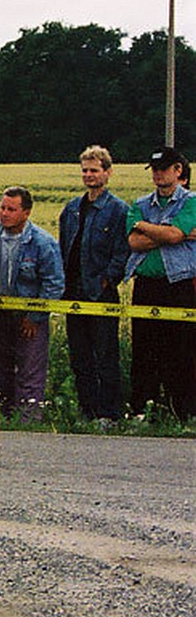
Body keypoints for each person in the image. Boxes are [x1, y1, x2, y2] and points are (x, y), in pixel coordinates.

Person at [57, 145, 130, 422]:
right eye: (85, 170)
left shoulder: (118, 210)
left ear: (108, 173)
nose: (89, 175)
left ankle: (109, 414)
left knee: (106, 356)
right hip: (74, 292)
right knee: (80, 357)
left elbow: (122, 252)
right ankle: (86, 410)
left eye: (94, 170)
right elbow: (63, 246)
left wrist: (107, 280)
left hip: (100, 294)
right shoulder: (72, 209)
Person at [124, 147, 196, 420]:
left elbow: (174, 235)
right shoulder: (141, 203)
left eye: (164, 169)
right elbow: (134, 242)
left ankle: (182, 413)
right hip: (146, 284)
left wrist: (145, 226)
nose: (158, 174)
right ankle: (144, 411)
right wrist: (170, 233)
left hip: (179, 284)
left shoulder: (191, 202)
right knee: (144, 349)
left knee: (181, 349)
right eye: (154, 169)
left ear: (178, 171)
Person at [0, 186, 64, 421]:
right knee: (0, 369)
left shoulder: (42, 242)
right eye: (2, 208)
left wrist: (35, 316)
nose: (4, 213)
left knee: (30, 372)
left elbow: (54, 283)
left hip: (29, 319)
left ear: (26, 213)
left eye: (11, 209)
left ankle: (28, 422)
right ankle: (2, 418)